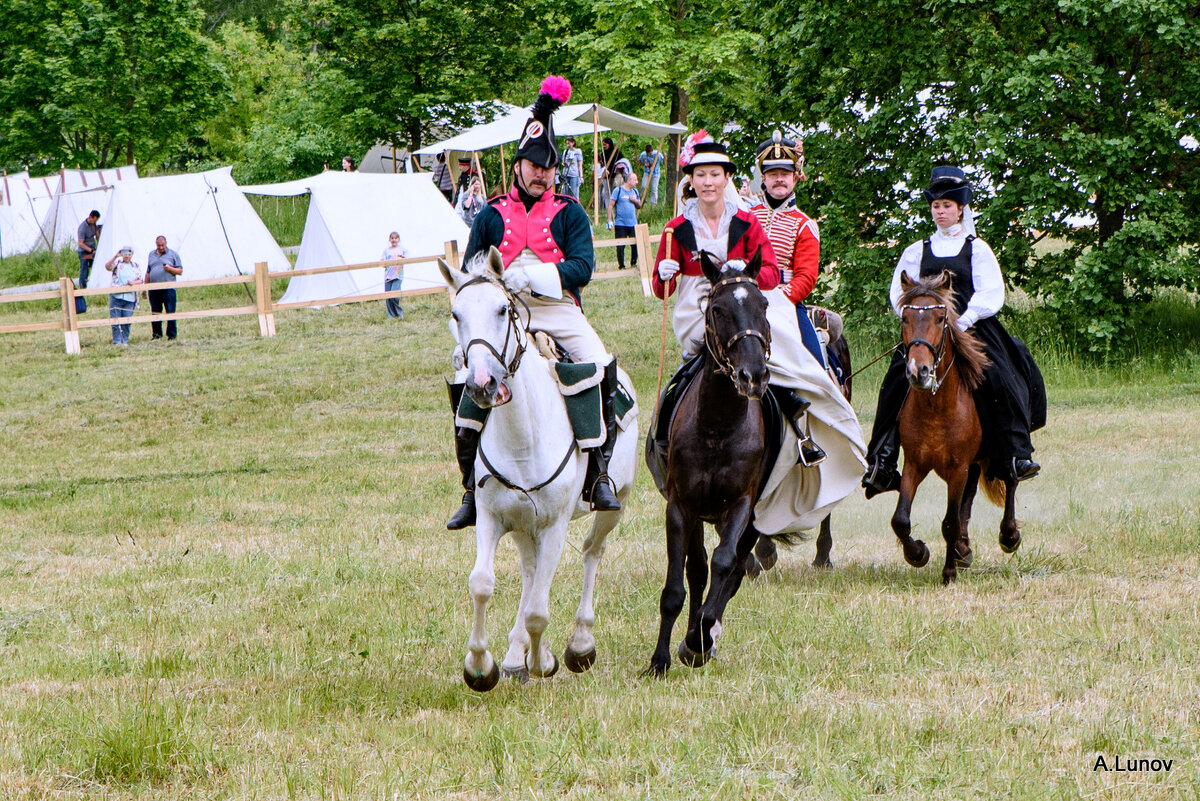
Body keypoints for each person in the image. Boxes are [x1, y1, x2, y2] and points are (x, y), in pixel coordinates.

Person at [652, 131, 866, 535]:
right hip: (697, 305)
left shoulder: (752, 221)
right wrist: (665, 273)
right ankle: (664, 435)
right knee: (687, 372)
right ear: (691, 181)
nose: (709, 182)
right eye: (701, 175)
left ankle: (805, 422)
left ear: (726, 177)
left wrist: (743, 279)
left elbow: (777, 272)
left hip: (748, 298)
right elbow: (661, 289)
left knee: (787, 354)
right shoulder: (676, 227)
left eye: (716, 174)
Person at [447, 74, 623, 529]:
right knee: (463, 369)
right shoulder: (491, 212)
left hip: (557, 308)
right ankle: (471, 484)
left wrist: (540, 275)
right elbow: (470, 272)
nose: (541, 173)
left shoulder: (570, 211)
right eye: (533, 164)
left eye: (548, 167)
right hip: (502, 310)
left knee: (598, 362)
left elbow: (583, 268)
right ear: (519, 165)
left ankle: (599, 473)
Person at [862, 166, 1046, 496]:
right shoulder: (916, 250)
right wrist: (915, 318)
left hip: (972, 325)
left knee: (1003, 375)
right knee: (894, 382)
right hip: (928, 329)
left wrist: (962, 319)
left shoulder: (977, 248)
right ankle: (883, 460)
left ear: (960, 208)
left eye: (947, 205)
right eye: (936, 206)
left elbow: (992, 293)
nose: (941, 211)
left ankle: (1015, 453)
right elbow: (898, 292)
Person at [748, 131, 826, 370]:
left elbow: (806, 277)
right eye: (773, 174)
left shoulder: (804, 224)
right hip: (747, 299)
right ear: (763, 177)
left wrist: (779, 298)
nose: (779, 179)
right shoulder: (746, 218)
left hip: (786, 302)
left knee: (815, 366)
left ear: (795, 177)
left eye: (784, 174)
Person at [144, 235, 182, 340]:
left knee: (170, 311)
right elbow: (148, 272)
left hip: (168, 288)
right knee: (155, 312)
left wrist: (170, 269)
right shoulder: (151, 254)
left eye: (163, 245)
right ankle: (156, 335)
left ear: (166, 244)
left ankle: (171, 335)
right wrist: (145, 287)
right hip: (154, 289)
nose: (161, 247)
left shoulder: (173, 254)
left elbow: (180, 271)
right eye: (159, 245)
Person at [104, 246, 142, 346]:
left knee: (127, 320)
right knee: (116, 320)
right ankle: (117, 341)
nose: (127, 256)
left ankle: (125, 340)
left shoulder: (135, 265)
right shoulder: (117, 263)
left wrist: (133, 282)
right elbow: (108, 267)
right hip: (117, 296)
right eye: (125, 254)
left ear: (132, 255)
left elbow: (140, 280)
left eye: (129, 254)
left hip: (130, 297)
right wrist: (115, 256)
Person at [608, 170, 642, 270]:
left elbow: (639, 206)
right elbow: (611, 205)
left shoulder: (635, 192)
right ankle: (621, 265)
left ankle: (633, 262)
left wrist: (635, 201)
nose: (637, 182)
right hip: (620, 223)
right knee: (620, 245)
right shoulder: (618, 191)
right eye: (635, 180)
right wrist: (609, 220)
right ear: (629, 181)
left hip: (633, 223)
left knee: (635, 244)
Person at [76, 210, 102, 312]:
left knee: (95, 266)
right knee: (84, 269)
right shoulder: (82, 228)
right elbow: (81, 243)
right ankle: (82, 287)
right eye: (94, 220)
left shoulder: (94, 225)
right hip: (84, 251)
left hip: (93, 250)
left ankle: (94, 283)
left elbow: (97, 234)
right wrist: (91, 250)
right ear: (90, 217)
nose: (94, 222)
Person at [381, 231, 406, 319]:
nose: (394, 240)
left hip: (398, 275)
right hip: (388, 276)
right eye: (392, 238)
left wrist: (403, 259)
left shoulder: (402, 249)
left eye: (395, 238)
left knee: (394, 296)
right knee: (388, 297)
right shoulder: (386, 251)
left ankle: (399, 313)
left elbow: (407, 259)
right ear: (389, 239)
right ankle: (391, 315)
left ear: (398, 239)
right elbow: (382, 262)